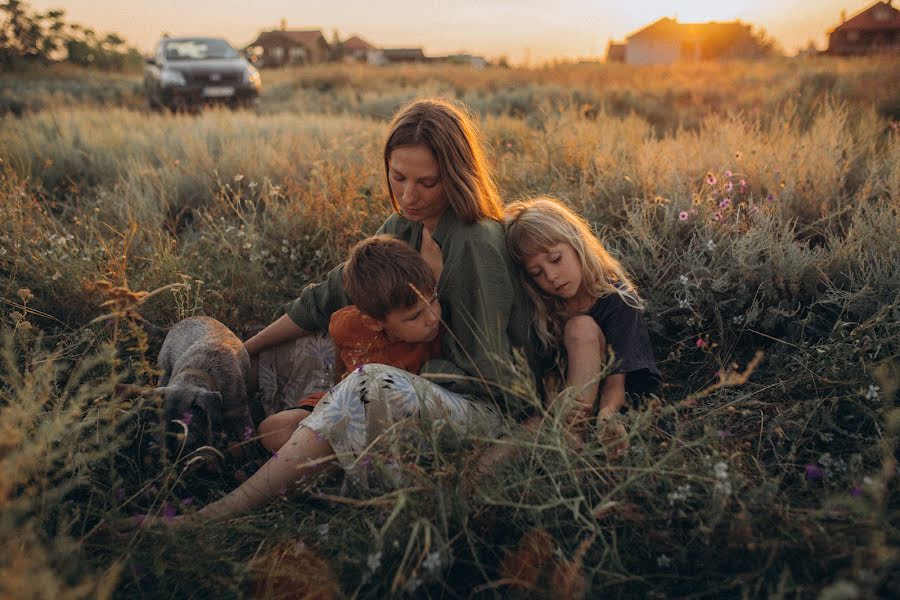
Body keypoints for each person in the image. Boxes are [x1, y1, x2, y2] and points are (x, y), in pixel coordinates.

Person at [139, 97, 536, 525]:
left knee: (369, 383)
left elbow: (491, 375)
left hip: (479, 409)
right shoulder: (404, 226)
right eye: (398, 176)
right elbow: (329, 294)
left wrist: (373, 373)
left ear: (456, 177)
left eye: (427, 182)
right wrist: (243, 354)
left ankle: (213, 515)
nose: (408, 195)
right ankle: (191, 443)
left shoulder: (475, 243)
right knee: (285, 351)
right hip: (403, 372)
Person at [255, 234, 443, 453]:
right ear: (374, 323)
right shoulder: (346, 324)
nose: (432, 318)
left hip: (386, 424)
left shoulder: (434, 342)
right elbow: (341, 362)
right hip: (338, 404)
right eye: (414, 316)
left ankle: (327, 463)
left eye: (434, 300)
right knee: (273, 429)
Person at [503, 196, 660, 430]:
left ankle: (575, 435)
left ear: (576, 243)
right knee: (516, 439)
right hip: (561, 409)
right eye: (537, 272)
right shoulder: (544, 308)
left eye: (556, 259)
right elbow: (548, 376)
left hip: (611, 405)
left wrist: (606, 418)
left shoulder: (616, 299)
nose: (551, 276)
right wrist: (556, 403)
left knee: (580, 327)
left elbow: (617, 384)